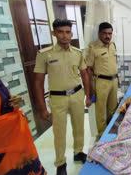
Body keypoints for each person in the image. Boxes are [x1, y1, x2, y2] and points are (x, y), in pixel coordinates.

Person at [34, 19, 91, 175]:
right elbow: (38, 82)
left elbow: (85, 74)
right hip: (58, 98)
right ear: (54, 33)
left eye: (67, 32)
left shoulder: (77, 53)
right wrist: (41, 107)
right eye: (60, 32)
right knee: (59, 132)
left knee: (79, 127)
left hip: (77, 95)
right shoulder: (44, 54)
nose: (64, 36)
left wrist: (87, 96)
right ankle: (60, 163)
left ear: (71, 33)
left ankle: (79, 152)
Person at [0, 79, 46, 175]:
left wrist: (13, 100)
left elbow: (6, 105)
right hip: (1, 149)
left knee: (29, 166)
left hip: (18, 140)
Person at [85, 22, 118, 140]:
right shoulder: (93, 47)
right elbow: (88, 69)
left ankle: (111, 133)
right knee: (100, 111)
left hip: (114, 81)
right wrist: (90, 90)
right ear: (99, 34)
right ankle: (102, 136)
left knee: (113, 110)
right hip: (101, 82)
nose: (107, 36)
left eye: (110, 33)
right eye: (104, 33)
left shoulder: (113, 45)